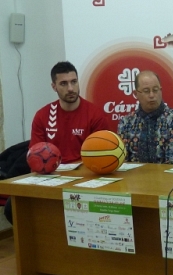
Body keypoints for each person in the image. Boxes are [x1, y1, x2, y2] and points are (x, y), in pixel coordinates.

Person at [5, 61, 109, 225]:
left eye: (74, 82)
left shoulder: (94, 114)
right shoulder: (42, 115)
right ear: (54, 86)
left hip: (84, 177)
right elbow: (35, 158)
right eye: (63, 83)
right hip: (51, 177)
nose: (70, 88)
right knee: (12, 208)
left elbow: (102, 157)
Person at [117, 70, 173, 164]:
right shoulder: (126, 122)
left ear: (161, 90)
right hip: (133, 177)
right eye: (146, 91)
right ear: (136, 94)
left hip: (167, 177)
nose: (152, 95)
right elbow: (122, 162)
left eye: (155, 90)